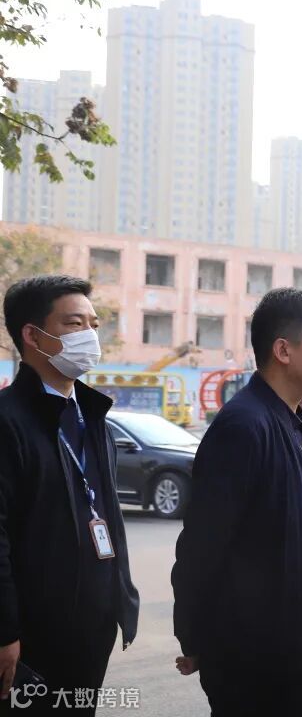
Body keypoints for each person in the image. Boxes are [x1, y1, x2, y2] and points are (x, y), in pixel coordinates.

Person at [171, 288, 302, 716]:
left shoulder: (294, 424)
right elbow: (201, 547)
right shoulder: (244, 427)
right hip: (253, 664)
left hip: (293, 655)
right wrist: (194, 636)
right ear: (283, 350)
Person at [0, 276, 139, 714]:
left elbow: (108, 515)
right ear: (33, 336)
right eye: (75, 324)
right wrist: (4, 631)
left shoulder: (93, 417)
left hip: (92, 627)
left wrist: (122, 600)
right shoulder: (8, 421)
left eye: (94, 325)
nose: (90, 336)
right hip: (33, 634)